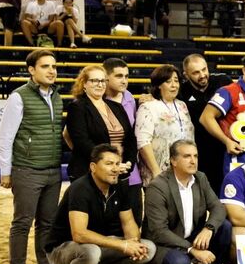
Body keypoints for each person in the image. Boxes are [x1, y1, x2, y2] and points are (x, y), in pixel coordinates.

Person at [45, 144, 156, 264]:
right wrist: (122, 246)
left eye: (118, 164)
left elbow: (129, 224)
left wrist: (133, 243)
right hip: (61, 250)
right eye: (109, 164)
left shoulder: (119, 187)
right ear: (93, 167)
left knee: (147, 248)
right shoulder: (80, 188)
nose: (115, 169)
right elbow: (79, 234)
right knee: (91, 252)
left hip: (99, 244)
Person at [0, 49, 63, 264]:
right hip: (27, 170)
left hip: (52, 170)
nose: (51, 71)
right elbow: (5, 137)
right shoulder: (18, 97)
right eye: (45, 66)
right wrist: (6, 171)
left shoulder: (57, 96)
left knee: (47, 224)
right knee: (22, 224)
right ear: (31, 70)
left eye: (54, 66)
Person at [143, 140, 235, 264]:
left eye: (195, 156)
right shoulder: (158, 186)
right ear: (173, 161)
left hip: (191, 236)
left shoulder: (200, 178)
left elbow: (218, 207)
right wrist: (192, 250)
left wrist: (209, 228)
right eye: (187, 156)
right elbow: (159, 232)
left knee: (224, 227)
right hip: (164, 243)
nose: (193, 161)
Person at [65, 65, 137, 187]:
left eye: (103, 80)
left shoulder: (116, 107)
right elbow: (82, 142)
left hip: (119, 172)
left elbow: (130, 140)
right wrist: (109, 163)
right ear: (84, 84)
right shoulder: (77, 108)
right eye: (94, 80)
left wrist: (128, 164)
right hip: (89, 173)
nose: (100, 84)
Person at [178, 54, 232, 194]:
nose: (202, 75)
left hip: (224, 147)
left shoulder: (223, 81)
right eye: (196, 72)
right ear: (186, 75)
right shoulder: (181, 91)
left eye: (204, 69)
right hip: (199, 150)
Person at [135, 65, 194, 187]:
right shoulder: (148, 106)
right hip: (159, 172)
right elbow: (142, 142)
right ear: (159, 85)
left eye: (176, 81)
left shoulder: (182, 105)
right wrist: (156, 171)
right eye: (168, 81)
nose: (174, 85)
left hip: (184, 171)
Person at [103, 58, 144, 224]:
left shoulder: (129, 97)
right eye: (119, 76)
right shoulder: (96, 100)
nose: (124, 80)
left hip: (131, 172)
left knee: (135, 220)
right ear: (106, 77)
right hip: (105, 172)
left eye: (126, 76)